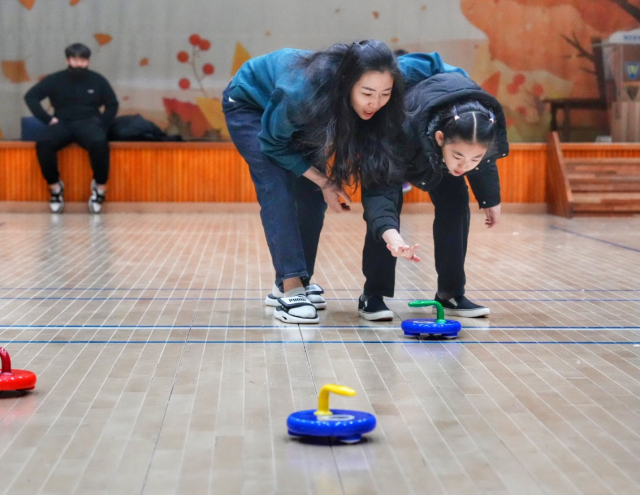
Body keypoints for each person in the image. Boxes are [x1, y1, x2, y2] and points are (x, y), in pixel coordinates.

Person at [223, 41, 463, 324]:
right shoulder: (301, 93)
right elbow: (273, 144)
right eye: (367, 93)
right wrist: (325, 182)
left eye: (385, 93)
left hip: (300, 114)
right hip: (251, 106)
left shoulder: (385, 71)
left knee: (311, 196)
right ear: (348, 82)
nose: (376, 103)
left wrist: (471, 95)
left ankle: (295, 279)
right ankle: (290, 288)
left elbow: (438, 65)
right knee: (278, 187)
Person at [360, 70, 509, 320]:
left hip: (436, 146)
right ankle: (372, 295)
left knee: (456, 203)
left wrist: (490, 198)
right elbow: (380, 193)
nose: (465, 165)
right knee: (385, 220)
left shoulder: (477, 122)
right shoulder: (398, 127)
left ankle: (450, 293)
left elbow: (480, 158)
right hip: (400, 140)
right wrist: (391, 234)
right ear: (440, 138)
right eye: (458, 156)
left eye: (474, 158)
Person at [24, 42, 118, 214]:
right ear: (68, 60)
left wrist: (102, 123)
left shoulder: (98, 80)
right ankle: (55, 188)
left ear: (88, 61)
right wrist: (47, 119)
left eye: (83, 60)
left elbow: (112, 105)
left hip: (89, 122)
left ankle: (100, 187)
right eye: (75, 60)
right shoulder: (55, 79)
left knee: (99, 142)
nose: (79, 64)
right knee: (44, 144)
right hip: (62, 122)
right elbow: (30, 97)